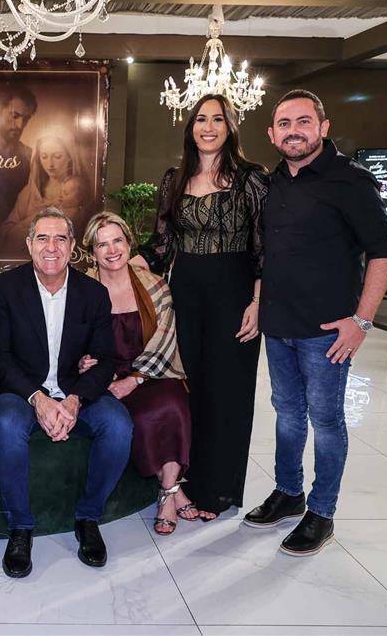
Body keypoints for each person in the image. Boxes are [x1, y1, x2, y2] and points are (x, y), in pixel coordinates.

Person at [245, 90, 387, 556]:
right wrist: (258, 303)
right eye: (284, 124)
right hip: (279, 326)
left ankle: (322, 512)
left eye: (303, 121)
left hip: (327, 333)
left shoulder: (352, 180)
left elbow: (384, 252)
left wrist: (362, 321)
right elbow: (266, 254)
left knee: (326, 421)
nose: (294, 131)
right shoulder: (272, 183)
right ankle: (288, 492)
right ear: (272, 134)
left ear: (323, 127)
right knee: (287, 414)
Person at [135, 93, 267, 521]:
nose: (208, 127)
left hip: (235, 297)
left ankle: (219, 489)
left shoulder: (251, 179)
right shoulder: (174, 179)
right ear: (190, 127)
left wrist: (258, 302)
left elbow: (266, 250)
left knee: (228, 392)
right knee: (188, 387)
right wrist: (122, 263)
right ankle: (181, 485)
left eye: (217, 120)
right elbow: (162, 244)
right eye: (200, 119)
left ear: (230, 127)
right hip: (186, 298)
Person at [0, 206, 133, 578]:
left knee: (118, 426)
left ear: (72, 246)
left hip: (75, 390)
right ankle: (20, 527)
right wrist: (38, 399)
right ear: (29, 245)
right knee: (6, 425)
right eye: (42, 238)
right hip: (22, 392)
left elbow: (105, 359)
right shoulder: (5, 289)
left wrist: (74, 400)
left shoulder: (94, 293)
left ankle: (88, 517)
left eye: (60, 239)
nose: (51, 247)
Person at [79, 212, 194, 536]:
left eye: (118, 240)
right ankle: (174, 491)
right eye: (102, 244)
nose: (112, 250)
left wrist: (135, 379)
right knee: (136, 417)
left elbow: (165, 337)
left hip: (149, 371)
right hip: (104, 377)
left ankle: (167, 491)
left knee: (172, 404)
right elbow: (71, 336)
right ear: (92, 253)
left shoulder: (155, 285)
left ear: (129, 244)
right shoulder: (82, 290)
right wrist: (81, 361)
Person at [2, 134, 87, 249]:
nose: (50, 164)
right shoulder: (30, 192)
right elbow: (6, 231)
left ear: (69, 157)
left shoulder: (77, 192)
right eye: (44, 157)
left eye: (57, 156)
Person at [0, 84, 37, 247]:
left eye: (26, 119)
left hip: (11, 244)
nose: (20, 125)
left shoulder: (29, 155)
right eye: (15, 116)